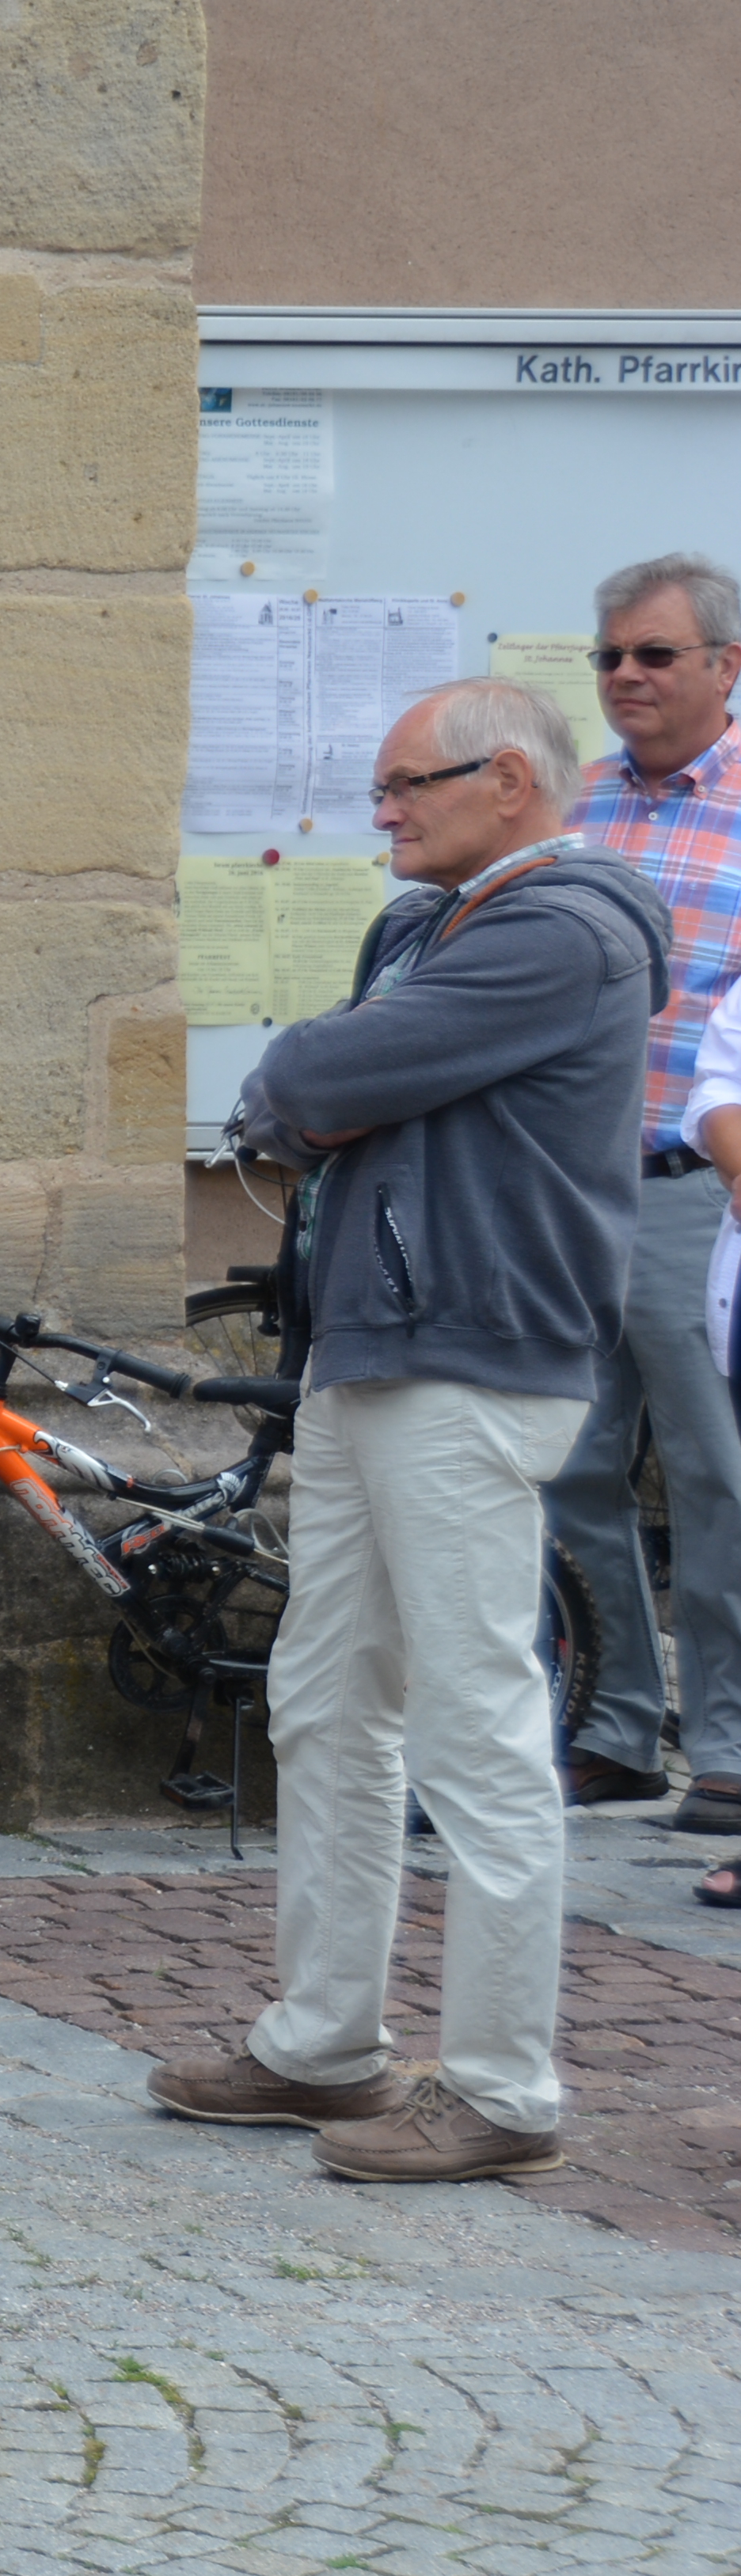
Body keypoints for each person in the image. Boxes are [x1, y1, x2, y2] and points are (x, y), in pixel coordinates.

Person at [164, 678, 658, 2187]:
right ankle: (326, 2046)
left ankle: (505, 2086)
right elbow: (305, 1099)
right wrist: (330, 1090)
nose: (379, 814)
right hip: (376, 1345)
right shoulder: (418, 931)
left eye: (404, 787)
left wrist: (332, 1086)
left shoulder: (557, 930)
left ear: (509, 780)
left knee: (475, 1720)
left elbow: (311, 1078)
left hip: (474, 1352)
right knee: (326, 1699)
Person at [541, 553, 741, 1830]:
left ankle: (725, 1744)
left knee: (718, 1475)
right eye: (609, 655)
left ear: (726, 667)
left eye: (655, 655)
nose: (624, 677)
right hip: (567, 1186)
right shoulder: (572, 805)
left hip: (700, 1189)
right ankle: (614, 1726)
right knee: (570, 1467)